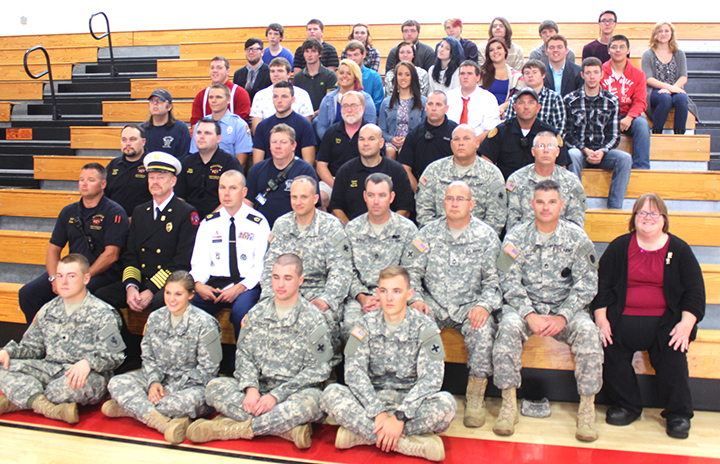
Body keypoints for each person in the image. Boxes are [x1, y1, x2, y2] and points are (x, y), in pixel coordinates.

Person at [186, 254, 333, 449]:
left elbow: (319, 370)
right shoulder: (256, 313)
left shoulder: (313, 319)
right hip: (259, 389)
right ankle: (286, 429)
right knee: (214, 388)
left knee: (312, 403)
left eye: (287, 278)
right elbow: (244, 355)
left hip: (292, 394)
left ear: (301, 280)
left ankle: (230, 429)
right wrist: (251, 388)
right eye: (275, 277)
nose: (280, 284)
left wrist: (276, 396)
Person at [493, 180, 602, 442]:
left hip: (565, 309)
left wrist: (563, 315)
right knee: (506, 328)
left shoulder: (577, 237)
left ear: (561, 205)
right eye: (540, 201)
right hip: (524, 307)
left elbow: (588, 283)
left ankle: (587, 408)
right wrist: (529, 313)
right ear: (532, 204)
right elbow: (506, 279)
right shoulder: (516, 236)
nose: (545, 207)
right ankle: (508, 404)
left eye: (552, 201)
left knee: (588, 333)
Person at [592, 194, 705, 439]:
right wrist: (601, 319)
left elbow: (695, 292)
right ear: (634, 218)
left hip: (666, 321)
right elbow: (601, 287)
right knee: (610, 348)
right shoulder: (620, 247)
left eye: (654, 213)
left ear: (664, 219)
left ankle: (678, 414)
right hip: (622, 319)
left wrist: (686, 324)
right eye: (642, 213)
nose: (648, 218)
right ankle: (627, 405)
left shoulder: (679, 249)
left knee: (673, 354)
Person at [321, 266, 456, 462]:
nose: (389, 298)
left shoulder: (426, 327)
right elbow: (353, 373)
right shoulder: (363, 325)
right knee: (330, 394)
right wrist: (379, 413)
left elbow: (432, 379)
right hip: (372, 400)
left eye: (396, 291)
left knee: (447, 406)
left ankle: (362, 435)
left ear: (409, 294)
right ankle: (406, 444)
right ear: (377, 293)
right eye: (383, 291)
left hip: (409, 403)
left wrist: (400, 417)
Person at [406, 181, 501, 429]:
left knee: (483, 330)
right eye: (449, 198)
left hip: (469, 306)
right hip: (433, 304)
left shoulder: (487, 236)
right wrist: (416, 299)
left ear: (472, 204)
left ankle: (475, 396)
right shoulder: (426, 233)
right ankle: (418, 391)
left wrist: (484, 306)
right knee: (414, 325)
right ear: (443, 202)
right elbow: (411, 272)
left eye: (460, 199)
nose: (454, 203)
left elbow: (495, 281)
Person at [0, 254, 124, 424]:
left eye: (71, 276)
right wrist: (8, 351)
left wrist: (88, 363)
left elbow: (115, 356)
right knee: (3, 366)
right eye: (60, 276)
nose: (64, 282)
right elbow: (32, 347)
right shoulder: (48, 309)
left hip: (83, 376)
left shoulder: (103, 313)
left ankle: (23, 398)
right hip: (50, 370)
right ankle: (48, 407)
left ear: (86, 278)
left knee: (67, 389)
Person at [102, 271, 222, 444]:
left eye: (178, 294)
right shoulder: (155, 318)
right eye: (168, 293)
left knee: (178, 403)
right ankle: (163, 423)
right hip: (159, 380)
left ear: (191, 295)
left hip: (190, 387)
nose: (171, 299)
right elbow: (148, 356)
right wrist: (153, 382)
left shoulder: (206, 324)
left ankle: (132, 408)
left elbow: (208, 370)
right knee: (116, 383)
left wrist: (170, 390)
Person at [18, 163, 128, 324]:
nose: (84, 184)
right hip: (70, 271)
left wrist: (84, 276)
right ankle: (39, 343)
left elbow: (111, 255)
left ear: (103, 184)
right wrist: (54, 277)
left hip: (101, 273)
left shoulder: (114, 212)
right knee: (28, 293)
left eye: (90, 180)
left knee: (79, 293)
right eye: (81, 179)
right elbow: (53, 249)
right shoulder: (68, 211)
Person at [95, 152, 199, 316]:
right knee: (101, 297)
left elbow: (181, 261)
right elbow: (131, 254)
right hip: (140, 279)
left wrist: (150, 289)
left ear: (173, 181)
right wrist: (131, 286)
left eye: (161, 177)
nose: (155, 182)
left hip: (168, 283)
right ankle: (123, 341)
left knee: (161, 302)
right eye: (151, 177)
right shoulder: (140, 211)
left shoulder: (186, 213)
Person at [261, 176, 352, 353]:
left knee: (323, 320)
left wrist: (326, 299)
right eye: (294, 197)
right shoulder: (281, 225)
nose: (298, 202)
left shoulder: (331, 226)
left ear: (315, 198)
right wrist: (269, 297)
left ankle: (325, 371)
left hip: (319, 291)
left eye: (303, 197)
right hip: (284, 290)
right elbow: (269, 267)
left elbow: (341, 269)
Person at [190, 170, 269, 338]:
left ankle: (240, 362)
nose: (226, 193)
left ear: (244, 192)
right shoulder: (208, 223)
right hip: (215, 282)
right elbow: (199, 263)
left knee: (241, 314)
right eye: (222, 187)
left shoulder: (258, 223)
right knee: (187, 308)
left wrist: (239, 289)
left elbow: (261, 266)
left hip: (247, 284)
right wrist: (198, 285)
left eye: (233, 188)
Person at [341, 174, 418, 339]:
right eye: (371, 195)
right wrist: (362, 298)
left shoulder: (407, 229)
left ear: (391, 197)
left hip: (395, 296)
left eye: (382, 195)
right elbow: (346, 270)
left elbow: (412, 270)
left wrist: (385, 297)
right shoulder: (352, 229)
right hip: (360, 297)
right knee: (351, 328)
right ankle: (358, 365)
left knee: (402, 328)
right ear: (364, 197)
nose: (376, 201)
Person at [566, 57, 632, 210]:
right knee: (572, 154)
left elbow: (615, 135)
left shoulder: (612, 100)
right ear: (582, 75)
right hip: (581, 152)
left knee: (625, 158)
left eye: (596, 72)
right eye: (588, 73)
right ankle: (576, 207)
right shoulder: (570, 100)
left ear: (602, 75)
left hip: (603, 153)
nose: (592, 76)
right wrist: (585, 149)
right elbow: (567, 134)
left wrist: (602, 151)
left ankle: (614, 208)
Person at [415, 124, 507, 234]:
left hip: (479, 241)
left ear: (477, 143)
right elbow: (423, 211)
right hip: (438, 241)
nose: (461, 143)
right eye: (457, 139)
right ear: (451, 144)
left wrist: (477, 239)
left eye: (466, 139)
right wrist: (437, 237)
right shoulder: (434, 170)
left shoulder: (492, 174)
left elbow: (496, 218)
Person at [329, 125, 414, 224]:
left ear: (381, 143)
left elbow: (405, 208)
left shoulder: (397, 170)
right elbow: (336, 207)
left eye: (371, 139)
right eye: (361, 139)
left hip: (390, 233)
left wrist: (389, 228)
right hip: (353, 234)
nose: (365, 143)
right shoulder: (345, 171)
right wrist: (350, 230)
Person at [480, 87, 569, 180]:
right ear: (514, 107)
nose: (526, 107)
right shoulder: (501, 131)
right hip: (507, 187)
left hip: (540, 187)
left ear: (538, 108)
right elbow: (486, 162)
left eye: (531, 103)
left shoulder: (550, 134)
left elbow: (562, 167)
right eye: (521, 103)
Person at [505, 131, 586, 230]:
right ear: (533, 151)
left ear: (557, 152)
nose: (546, 150)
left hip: (561, 241)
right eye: (541, 146)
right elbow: (512, 223)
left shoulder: (571, 181)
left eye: (551, 146)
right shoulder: (516, 179)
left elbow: (576, 224)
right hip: (525, 241)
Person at [245, 124, 319, 227]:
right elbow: (247, 202)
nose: (278, 146)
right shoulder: (257, 169)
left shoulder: (305, 171)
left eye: (283, 142)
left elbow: (313, 206)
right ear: (269, 146)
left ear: (293, 146)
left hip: (294, 229)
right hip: (261, 228)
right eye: (274, 142)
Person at [601, 35, 650, 170]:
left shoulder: (638, 74)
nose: (618, 50)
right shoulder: (599, 72)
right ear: (608, 50)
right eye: (614, 47)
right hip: (605, 116)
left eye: (622, 47)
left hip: (627, 115)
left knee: (642, 124)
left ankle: (641, 168)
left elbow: (640, 101)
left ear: (628, 50)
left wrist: (629, 117)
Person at [176, 118, 242, 218]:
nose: (201, 137)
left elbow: (234, 198)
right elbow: (179, 197)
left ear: (218, 138)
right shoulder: (186, 163)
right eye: (198, 132)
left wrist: (209, 220)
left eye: (207, 133)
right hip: (189, 219)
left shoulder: (230, 163)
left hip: (221, 219)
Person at [316, 91, 371, 208]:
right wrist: (336, 186)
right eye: (345, 106)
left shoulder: (371, 133)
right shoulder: (331, 132)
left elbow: (378, 164)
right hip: (334, 180)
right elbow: (321, 165)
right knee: (319, 197)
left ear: (363, 108)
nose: (349, 110)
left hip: (365, 181)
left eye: (353, 106)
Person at [642, 22, 697, 134]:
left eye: (666, 31)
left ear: (671, 34)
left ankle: (679, 133)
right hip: (654, 90)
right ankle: (657, 131)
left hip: (675, 88)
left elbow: (683, 76)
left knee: (682, 98)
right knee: (665, 99)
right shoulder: (648, 54)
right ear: (655, 34)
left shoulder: (679, 53)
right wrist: (667, 88)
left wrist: (671, 89)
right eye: (660, 31)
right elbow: (648, 78)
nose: (663, 34)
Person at [399, 91, 458, 192]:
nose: (433, 108)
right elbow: (405, 167)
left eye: (438, 104)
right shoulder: (415, 134)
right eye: (430, 104)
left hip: (452, 190)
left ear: (446, 108)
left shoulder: (456, 132)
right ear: (425, 107)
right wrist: (418, 192)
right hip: (422, 188)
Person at [189, 84, 253, 169]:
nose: (213, 100)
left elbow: (241, 163)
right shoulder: (201, 125)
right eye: (211, 97)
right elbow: (194, 156)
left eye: (218, 97)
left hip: (228, 175)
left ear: (228, 100)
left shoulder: (239, 125)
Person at [252, 81, 316, 166]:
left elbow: (308, 162)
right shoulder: (262, 126)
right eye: (275, 97)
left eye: (284, 97)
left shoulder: (304, 125)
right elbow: (257, 161)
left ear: (293, 100)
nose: (279, 100)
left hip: (297, 175)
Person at [249, 57, 314, 134]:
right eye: (272, 71)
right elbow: (256, 130)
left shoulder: (302, 94)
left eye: (280, 71)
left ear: (289, 74)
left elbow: (306, 129)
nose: (276, 75)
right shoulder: (259, 96)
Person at [316, 59, 377, 140]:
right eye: (341, 73)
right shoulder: (328, 99)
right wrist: (330, 142)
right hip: (333, 143)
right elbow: (321, 127)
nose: (344, 76)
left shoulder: (366, 99)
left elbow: (370, 126)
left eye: (349, 73)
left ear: (355, 76)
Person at [504, 60, 567, 137]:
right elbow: (508, 125)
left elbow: (560, 128)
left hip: (546, 144)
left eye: (534, 72)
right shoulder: (515, 99)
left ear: (543, 75)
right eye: (527, 73)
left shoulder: (554, 98)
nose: (530, 75)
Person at [379, 61, 427, 159]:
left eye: (407, 74)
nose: (403, 78)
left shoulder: (423, 102)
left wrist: (408, 140)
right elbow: (381, 129)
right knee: (389, 150)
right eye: (400, 74)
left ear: (412, 77)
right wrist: (391, 139)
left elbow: (425, 128)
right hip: (391, 142)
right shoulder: (386, 102)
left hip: (413, 142)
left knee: (404, 150)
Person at [446, 61, 501, 143]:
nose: (465, 76)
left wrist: (472, 144)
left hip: (478, 146)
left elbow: (490, 129)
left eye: (469, 73)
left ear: (478, 77)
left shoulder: (488, 98)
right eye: (462, 74)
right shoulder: (448, 96)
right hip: (450, 143)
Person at [105, 124, 153, 217]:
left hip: (143, 222)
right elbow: (104, 195)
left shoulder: (152, 165)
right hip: (114, 221)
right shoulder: (113, 165)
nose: (127, 143)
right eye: (124, 140)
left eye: (132, 139)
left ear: (143, 142)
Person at [191, 56, 250, 125]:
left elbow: (241, 124)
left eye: (219, 68)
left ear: (228, 72)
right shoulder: (201, 95)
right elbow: (195, 123)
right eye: (212, 68)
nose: (215, 70)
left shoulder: (240, 93)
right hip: (207, 134)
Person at [141, 89, 191, 160]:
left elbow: (184, 157)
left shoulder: (181, 129)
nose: (155, 103)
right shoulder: (141, 130)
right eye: (152, 100)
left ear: (169, 107)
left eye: (160, 101)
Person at [293, 38, 338, 116]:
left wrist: (313, 115)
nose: (309, 55)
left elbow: (328, 103)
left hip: (323, 115)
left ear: (320, 54)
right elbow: (297, 101)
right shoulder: (298, 77)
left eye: (313, 51)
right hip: (304, 115)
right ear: (303, 54)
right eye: (307, 51)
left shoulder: (330, 75)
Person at [480, 38, 525, 114]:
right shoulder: (481, 75)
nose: (495, 52)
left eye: (499, 48)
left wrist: (502, 107)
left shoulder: (517, 77)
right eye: (491, 50)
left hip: (509, 115)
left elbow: (519, 98)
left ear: (505, 51)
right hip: (485, 114)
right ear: (488, 54)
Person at [344, 41, 384, 111]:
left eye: (356, 55)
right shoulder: (343, 77)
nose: (352, 58)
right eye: (350, 55)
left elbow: (378, 104)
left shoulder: (374, 77)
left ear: (364, 54)